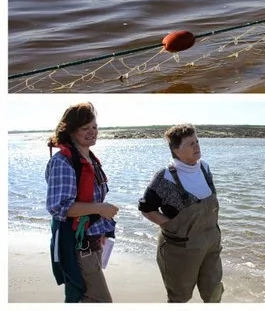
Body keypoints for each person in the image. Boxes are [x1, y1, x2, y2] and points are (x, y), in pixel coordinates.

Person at [139, 124, 224, 303]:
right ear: (176, 149)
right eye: (190, 143)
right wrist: (171, 225)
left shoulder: (205, 168)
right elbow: (146, 208)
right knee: (180, 297)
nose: (197, 146)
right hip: (181, 249)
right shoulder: (165, 177)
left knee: (214, 292)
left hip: (211, 244)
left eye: (197, 141)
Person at [46, 102, 119, 303]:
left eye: (94, 127)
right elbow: (59, 206)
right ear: (70, 131)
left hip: (92, 241)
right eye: (85, 128)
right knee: (98, 300)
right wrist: (100, 209)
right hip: (78, 246)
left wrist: (102, 229)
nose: (92, 132)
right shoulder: (63, 162)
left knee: (82, 298)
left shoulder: (90, 159)